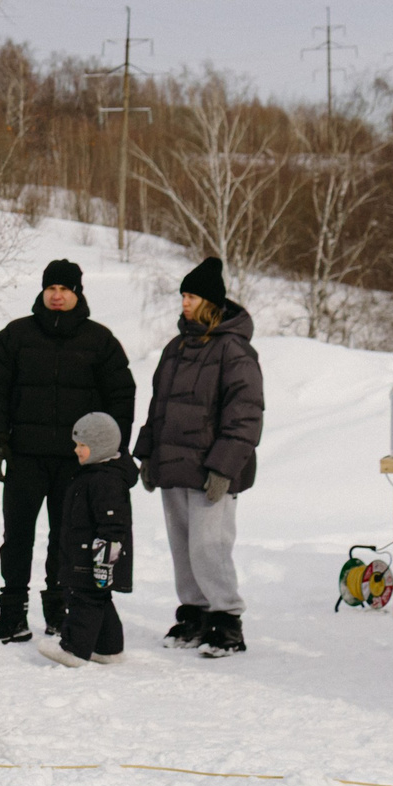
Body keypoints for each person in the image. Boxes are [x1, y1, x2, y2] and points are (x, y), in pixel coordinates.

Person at [0, 259, 136, 643]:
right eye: (52, 288)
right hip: (25, 457)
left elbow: (121, 396)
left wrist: (111, 450)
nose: (58, 295)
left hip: (77, 461)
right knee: (17, 536)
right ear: (43, 291)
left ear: (77, 292)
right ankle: (13, 613)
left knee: (67, 537)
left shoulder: (100, 341)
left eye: (65, 289)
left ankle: (59, 608)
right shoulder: (15, 336)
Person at [132, 256, 264, 659]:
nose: (184, 303)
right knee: (183, 545)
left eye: (190, 296)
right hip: (173, 464)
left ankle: (226, 618)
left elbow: (245, 414)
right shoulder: (174, 348)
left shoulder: (234, 350)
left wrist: (224, 466)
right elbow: (160, 405)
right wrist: (148, 455)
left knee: (210, 545)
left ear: (208, 301)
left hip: (212, 470)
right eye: (183, 296)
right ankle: (194, 612)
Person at [38, 413, 137, 668]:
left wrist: (104, 562)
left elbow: (113, 527)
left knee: (84, 601)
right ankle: (108, 649)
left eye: (82, 445)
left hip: (92, 559)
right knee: (98, 600)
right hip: (84, 555)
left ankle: (74, 649)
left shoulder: (105, 480)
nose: (76, 450)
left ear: (100, 446)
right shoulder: (93, 474)